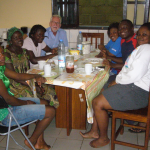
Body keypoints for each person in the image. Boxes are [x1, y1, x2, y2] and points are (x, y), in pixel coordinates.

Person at [80, 22, 150, 148]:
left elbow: (133, 74)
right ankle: (95, 130)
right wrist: (117, 80)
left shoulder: (146, 49)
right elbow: (128, 67)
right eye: (139, 34)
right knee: (99, 91)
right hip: (132, 86)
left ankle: (103, 138)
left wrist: (116, 81)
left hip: (138, 92)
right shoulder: (142, 48)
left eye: (144, 34)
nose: (140, 37)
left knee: (97, 102)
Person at [0, 45, 55, 150]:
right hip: (6, 115)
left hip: (10, 105)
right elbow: (7, 99)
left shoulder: (1, 67)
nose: (2, 56)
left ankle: (40, 143)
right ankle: (32, 140)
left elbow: (18, 76)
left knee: (44, 102)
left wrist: (35, 76)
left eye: (2, 53)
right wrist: (26, 103)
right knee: (51, 111)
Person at [4, 27, 59, 108]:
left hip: (28, 80)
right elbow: (16, 78)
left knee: (50, 91)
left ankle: (59, 116)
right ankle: (40, 114)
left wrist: (36, 83)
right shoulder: (6, 54)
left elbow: (28, 71)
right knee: (35, 96)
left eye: (20, 37)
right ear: (10, 41)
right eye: (15, 38)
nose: (19, 39)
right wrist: (34, 86)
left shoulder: (25, 51)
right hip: (15, 86)